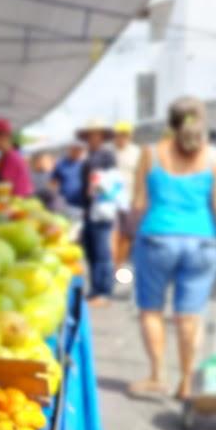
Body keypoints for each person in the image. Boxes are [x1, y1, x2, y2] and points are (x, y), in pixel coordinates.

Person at [129, 97, 216, 399]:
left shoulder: (150, 153)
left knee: (151, 309)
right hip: (202, 243)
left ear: (170, 122)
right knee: (189, 315)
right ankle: (186, 382)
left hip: (156, 239)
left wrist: (130, 236)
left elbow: (138, 204)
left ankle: (157, 375)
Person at [76, 119, 119, 306]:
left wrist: (95, 187)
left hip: (101, 210)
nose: (92, 138)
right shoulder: (90, 155)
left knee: (102, 253)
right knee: (91, 252)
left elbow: (110, 181)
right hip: (89, 210)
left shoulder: (106, 155)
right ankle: (95, 289)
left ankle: (104, 291)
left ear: (101, 136)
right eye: (90, 135)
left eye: (96, 134)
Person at [112, 120, 141, 272]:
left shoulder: (137, 153)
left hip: (130, 200)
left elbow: (141, 177)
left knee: (127, 235)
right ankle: (112, 266)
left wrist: (139, 199)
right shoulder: (109, 153)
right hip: (110, 202)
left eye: (125, 135)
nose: (122, 137)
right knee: (113, 235)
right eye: (119, 134)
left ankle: (118, 266)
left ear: (130, 136)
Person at [0, 118, 32, 196]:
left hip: (19, 199)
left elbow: (1, 187)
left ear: (2, 137)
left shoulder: (11, 157)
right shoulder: (6, 155)